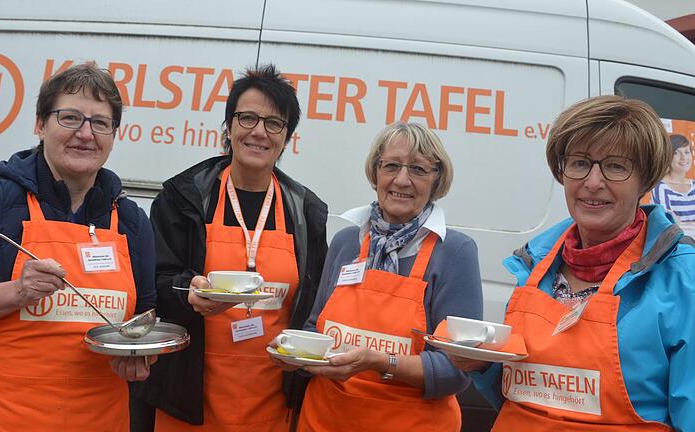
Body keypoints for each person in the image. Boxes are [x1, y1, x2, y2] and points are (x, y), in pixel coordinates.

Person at [0, 63, 156, 431]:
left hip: (97, 420)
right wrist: (16, 292)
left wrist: (138, 357)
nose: (85, 134)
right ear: (40, 124)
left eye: (100, 123)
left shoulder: (131, 220)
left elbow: (144, 315)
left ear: (114, 135)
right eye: (69, 118)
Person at [454, 95, 695, 431]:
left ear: (646, 180)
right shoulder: (535, 265)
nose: (592, 183)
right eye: (580, 163)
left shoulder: (682, 277)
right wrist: (483, 366)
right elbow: (526, 396)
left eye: (615, 166)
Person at [136, 64, 328, 432]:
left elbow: (313, 304)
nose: (259, 131)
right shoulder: (184, 199)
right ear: (228, 127)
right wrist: (186, 294)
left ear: (287, 138)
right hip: (188, 398)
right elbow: (151, 284)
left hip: (271, 401)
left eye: (274, 123)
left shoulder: (306, 212)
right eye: (247, 118)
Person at [293, 122, 483, 432]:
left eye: (419, 169)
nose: (402, 180)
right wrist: (298, 354)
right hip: (325, 421)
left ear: (436, 180)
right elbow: (315, 327)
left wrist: (381, 362)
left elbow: (457, 369)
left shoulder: (455, 253)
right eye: (391, 165)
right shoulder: (346, 243)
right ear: (375, 173)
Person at [650, 134, 695, 236]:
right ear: (668, 156)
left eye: (687, 152)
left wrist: (683, 224)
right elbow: (668, 225)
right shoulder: (659, 187)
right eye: (676, 153)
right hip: (679, 246)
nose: (684, 158)